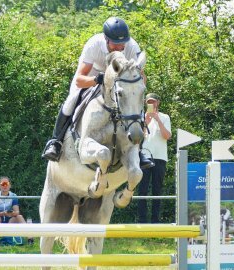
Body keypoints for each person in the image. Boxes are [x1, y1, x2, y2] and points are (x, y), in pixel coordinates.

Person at [41, 16, 154, 169]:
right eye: (115, 44)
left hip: (118, 84)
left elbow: (140, 77)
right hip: (91, 78)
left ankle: (138, 150)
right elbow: (80, 79)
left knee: (133, 106)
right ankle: (56, 142)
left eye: (122, 44)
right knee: (71, 100)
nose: (119, 48)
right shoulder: (94, 44)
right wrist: (97, 79)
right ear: (106, 40)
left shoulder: (132, 46)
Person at [137, 93, 171, 223]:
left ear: (158, 102)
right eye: (149, 102)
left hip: (160, 157)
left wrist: (158, 120)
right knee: (143, 190)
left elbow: (167, 136)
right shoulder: (141, 117)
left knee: (157, 190)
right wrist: (146, 122)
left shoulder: (165, 117)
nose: (151, 104)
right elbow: (138, 138)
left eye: (153, 101)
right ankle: (142, 221)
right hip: (144, 157)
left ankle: (155, 221)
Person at [0, 176, 33, 245]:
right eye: (2, 184)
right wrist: (3, 213)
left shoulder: (13, 196)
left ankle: (30, 239)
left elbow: (17, 212)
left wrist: (11, 213)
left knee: (19, 216)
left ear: (10, 185)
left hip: (9, 220)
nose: (5, 186)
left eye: (6, 183)